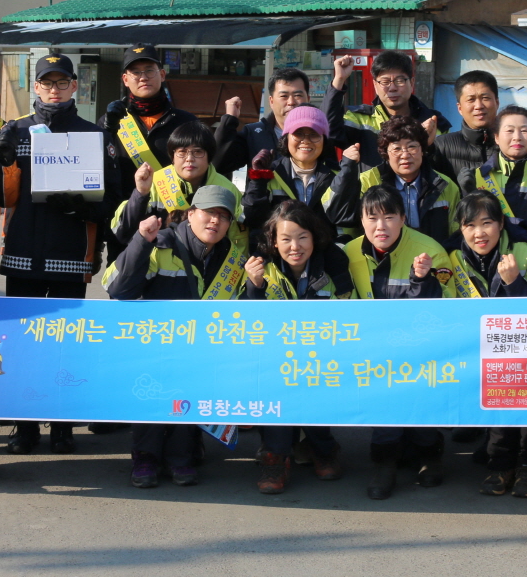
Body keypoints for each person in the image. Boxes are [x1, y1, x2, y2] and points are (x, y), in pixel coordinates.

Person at [0, 54, 113, 456]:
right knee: (23, 343)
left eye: (62, 82)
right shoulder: (16, 131)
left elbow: (111, 197)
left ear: (75, 86)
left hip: (71, 252)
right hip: (23, 251)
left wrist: (85, 210)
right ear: (36, 86)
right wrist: (4, 161)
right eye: (47, 82)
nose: (55, 90)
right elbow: (1, 196)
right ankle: (25, 425)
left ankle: (63, 425)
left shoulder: (92, 134)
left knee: (67, 343)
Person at [106, 185, 246, 487]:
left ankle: (180, 457)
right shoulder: (160, 244)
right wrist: (141, 242)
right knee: (152, 398)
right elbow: (118, 289)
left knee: (190, 395)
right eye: (209, 213)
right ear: (191, 213)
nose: (215, 221)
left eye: (224, 216)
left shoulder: (234, 259)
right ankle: (145, 458)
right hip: (153, 347)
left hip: (201, 351)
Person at [342, 185, 450, 500]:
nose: (381, 226)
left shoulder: (429, 251)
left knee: (422, 401)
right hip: (372, 350)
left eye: (389, 217)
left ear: (403, 218)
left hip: (421, 349)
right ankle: (384, 462)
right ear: (361, 220)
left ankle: (429, 455)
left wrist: (423, 281)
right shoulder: (348, 253)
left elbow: (449, 309)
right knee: (384, 403)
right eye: (372, 218)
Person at [446, 191, 527, 499]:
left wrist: (515, 283)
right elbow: (446, 305)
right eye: (469, 225)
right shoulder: (453, 257)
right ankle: (500, 465)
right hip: (484, 347)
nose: (479, 233)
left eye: (487, 223)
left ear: (501, 224)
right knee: (498, 405)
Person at [243, 199, 355, 493]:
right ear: (273, 241)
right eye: (286, 239)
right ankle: (275, 457)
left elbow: (349, 313)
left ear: (314, 238)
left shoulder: (334, 264)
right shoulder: (260, 267)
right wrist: (255, 286)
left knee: (314, 393)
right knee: (275, 392)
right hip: (274, 359)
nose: (295, 246)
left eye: (302, 237)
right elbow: (248, 323)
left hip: (322, 356)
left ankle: (323, 448)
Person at [325, 114, 461, 243]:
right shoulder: (367, 181)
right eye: (397, 149)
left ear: (422, 150)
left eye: (412, 147)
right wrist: (348, 169)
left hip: (432, 256)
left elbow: (456, 234)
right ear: (386, 153)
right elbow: (337, 214)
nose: (405, 155)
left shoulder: (445, 185)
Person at [100, 45, 200, 212]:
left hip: (174, 215)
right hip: (125, 215)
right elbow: (95, 166)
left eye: (149, 71)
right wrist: (108, 129)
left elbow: (203, 170)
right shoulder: (111, 121)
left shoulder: (187, 122)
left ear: (162, 75)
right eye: (136, 72)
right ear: (125, 79)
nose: (143, 77)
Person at [112, 121, 241, 244]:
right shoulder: (154, 182)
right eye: (182, 152)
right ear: (172, 156)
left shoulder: (228, 189)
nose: (189, 158)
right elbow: (122, 233)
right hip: (158, 257)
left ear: (209, 156)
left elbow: (238, 239)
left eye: (198, 152)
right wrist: (140, 194)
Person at [325, 51, 450, 160]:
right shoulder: (360, 120)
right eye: (385, 82)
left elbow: (445, 166)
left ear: (411, 83)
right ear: (375, 85)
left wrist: (426, 145)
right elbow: (328, 130)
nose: (392, 88)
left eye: (399, 81)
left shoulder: (433, 123)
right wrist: (339, 79)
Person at [241, 105, 340, 240]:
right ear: (286, 138)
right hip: (278, 252)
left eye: (314, 134)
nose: (306, 141)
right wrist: (258, 180)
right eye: (298, 133)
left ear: (325, 140)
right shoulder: (269, 173)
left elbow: (344, 225)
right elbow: (253, 219)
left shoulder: (337, 177)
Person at [211, 67, 313, 176]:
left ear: (308, 99)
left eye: (298, 95)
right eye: (284, 96)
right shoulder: (253, 134)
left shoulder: (319, 135)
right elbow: (219, 164)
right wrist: (229, 120)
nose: (291, 102)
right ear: (271, 101)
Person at [431, 70, 499, 187]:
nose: (478, 106)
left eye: (485, 98)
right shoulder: (441, 147)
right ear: (460, 108)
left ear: (497, 102)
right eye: (471, 99)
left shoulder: (513, 143)